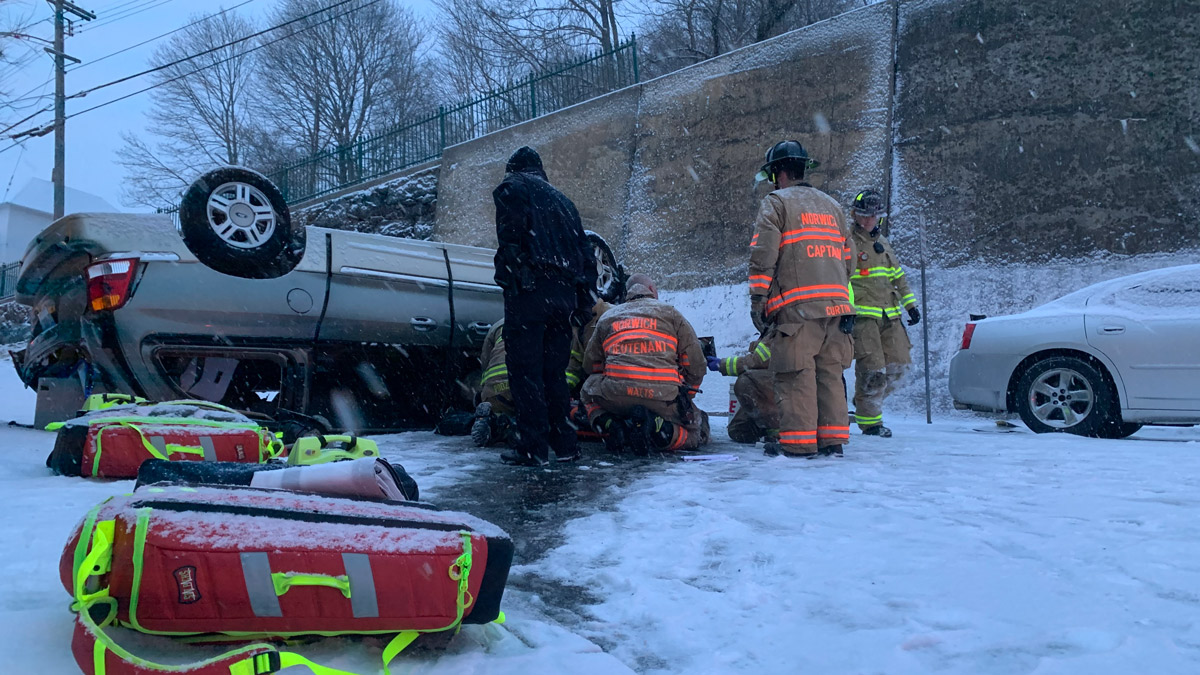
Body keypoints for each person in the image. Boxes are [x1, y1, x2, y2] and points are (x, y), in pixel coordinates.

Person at [748, 140, 856, 458]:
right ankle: (832, 442)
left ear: (777, 173)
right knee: (829, 375)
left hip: (798, 311)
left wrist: (758, 298)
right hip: (837, 308)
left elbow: (763, 254)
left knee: (796, 375)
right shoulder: (832, 206)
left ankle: (798, 445)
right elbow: (848, 260)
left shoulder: (776, 203)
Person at [493, 146, 597, 466]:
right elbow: (586, 255)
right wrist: (583, 299)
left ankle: (532, 447)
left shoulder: (514, 186)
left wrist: (512, 275)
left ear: (514, 169)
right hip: (562, 297)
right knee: (554, 373)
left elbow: (510, 238)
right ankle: (565, 444)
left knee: (525, 371)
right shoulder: (565, 202)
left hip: (530, 291)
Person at [581, 274, 709, 454]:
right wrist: (686, 396)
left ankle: (610, 424)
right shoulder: (672, 314)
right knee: (697, 432)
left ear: (628, 293)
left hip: (616, 396)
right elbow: (696, 365)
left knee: (587, 391)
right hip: (662, 398)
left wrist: (613, 377)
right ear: (651, 290)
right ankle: (661, 430)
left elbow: (590, 364)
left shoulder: (608, 317)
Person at [847, 189, 919, 437]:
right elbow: (841, 278)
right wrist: (845, 311)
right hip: (863, 318)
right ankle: (871, 423)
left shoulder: (883, 242)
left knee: (900, 366)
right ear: (855, 214)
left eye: (874, 215)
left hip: (890, 315)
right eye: (864, 215)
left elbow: (897, 277)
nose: (869, 220)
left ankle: (863, 401)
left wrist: (910, 305)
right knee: (873, 371)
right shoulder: (847, 242)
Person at [707, 340, 779, 444]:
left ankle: (777, 429)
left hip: (784, 391)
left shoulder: (779, 334)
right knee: (738, 431)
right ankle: (765, 427)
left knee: (746, 381)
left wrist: (722, 364)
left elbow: (755, 362)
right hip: (772, 391)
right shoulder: (769, 333)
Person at [470, 319, 517, 447]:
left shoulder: (497, 326)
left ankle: (491, 419)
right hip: (524, 386)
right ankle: (516, 426)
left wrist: (486, 387)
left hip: (494, 388)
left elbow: (485, 361)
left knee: (498, 404)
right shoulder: (543, 323)